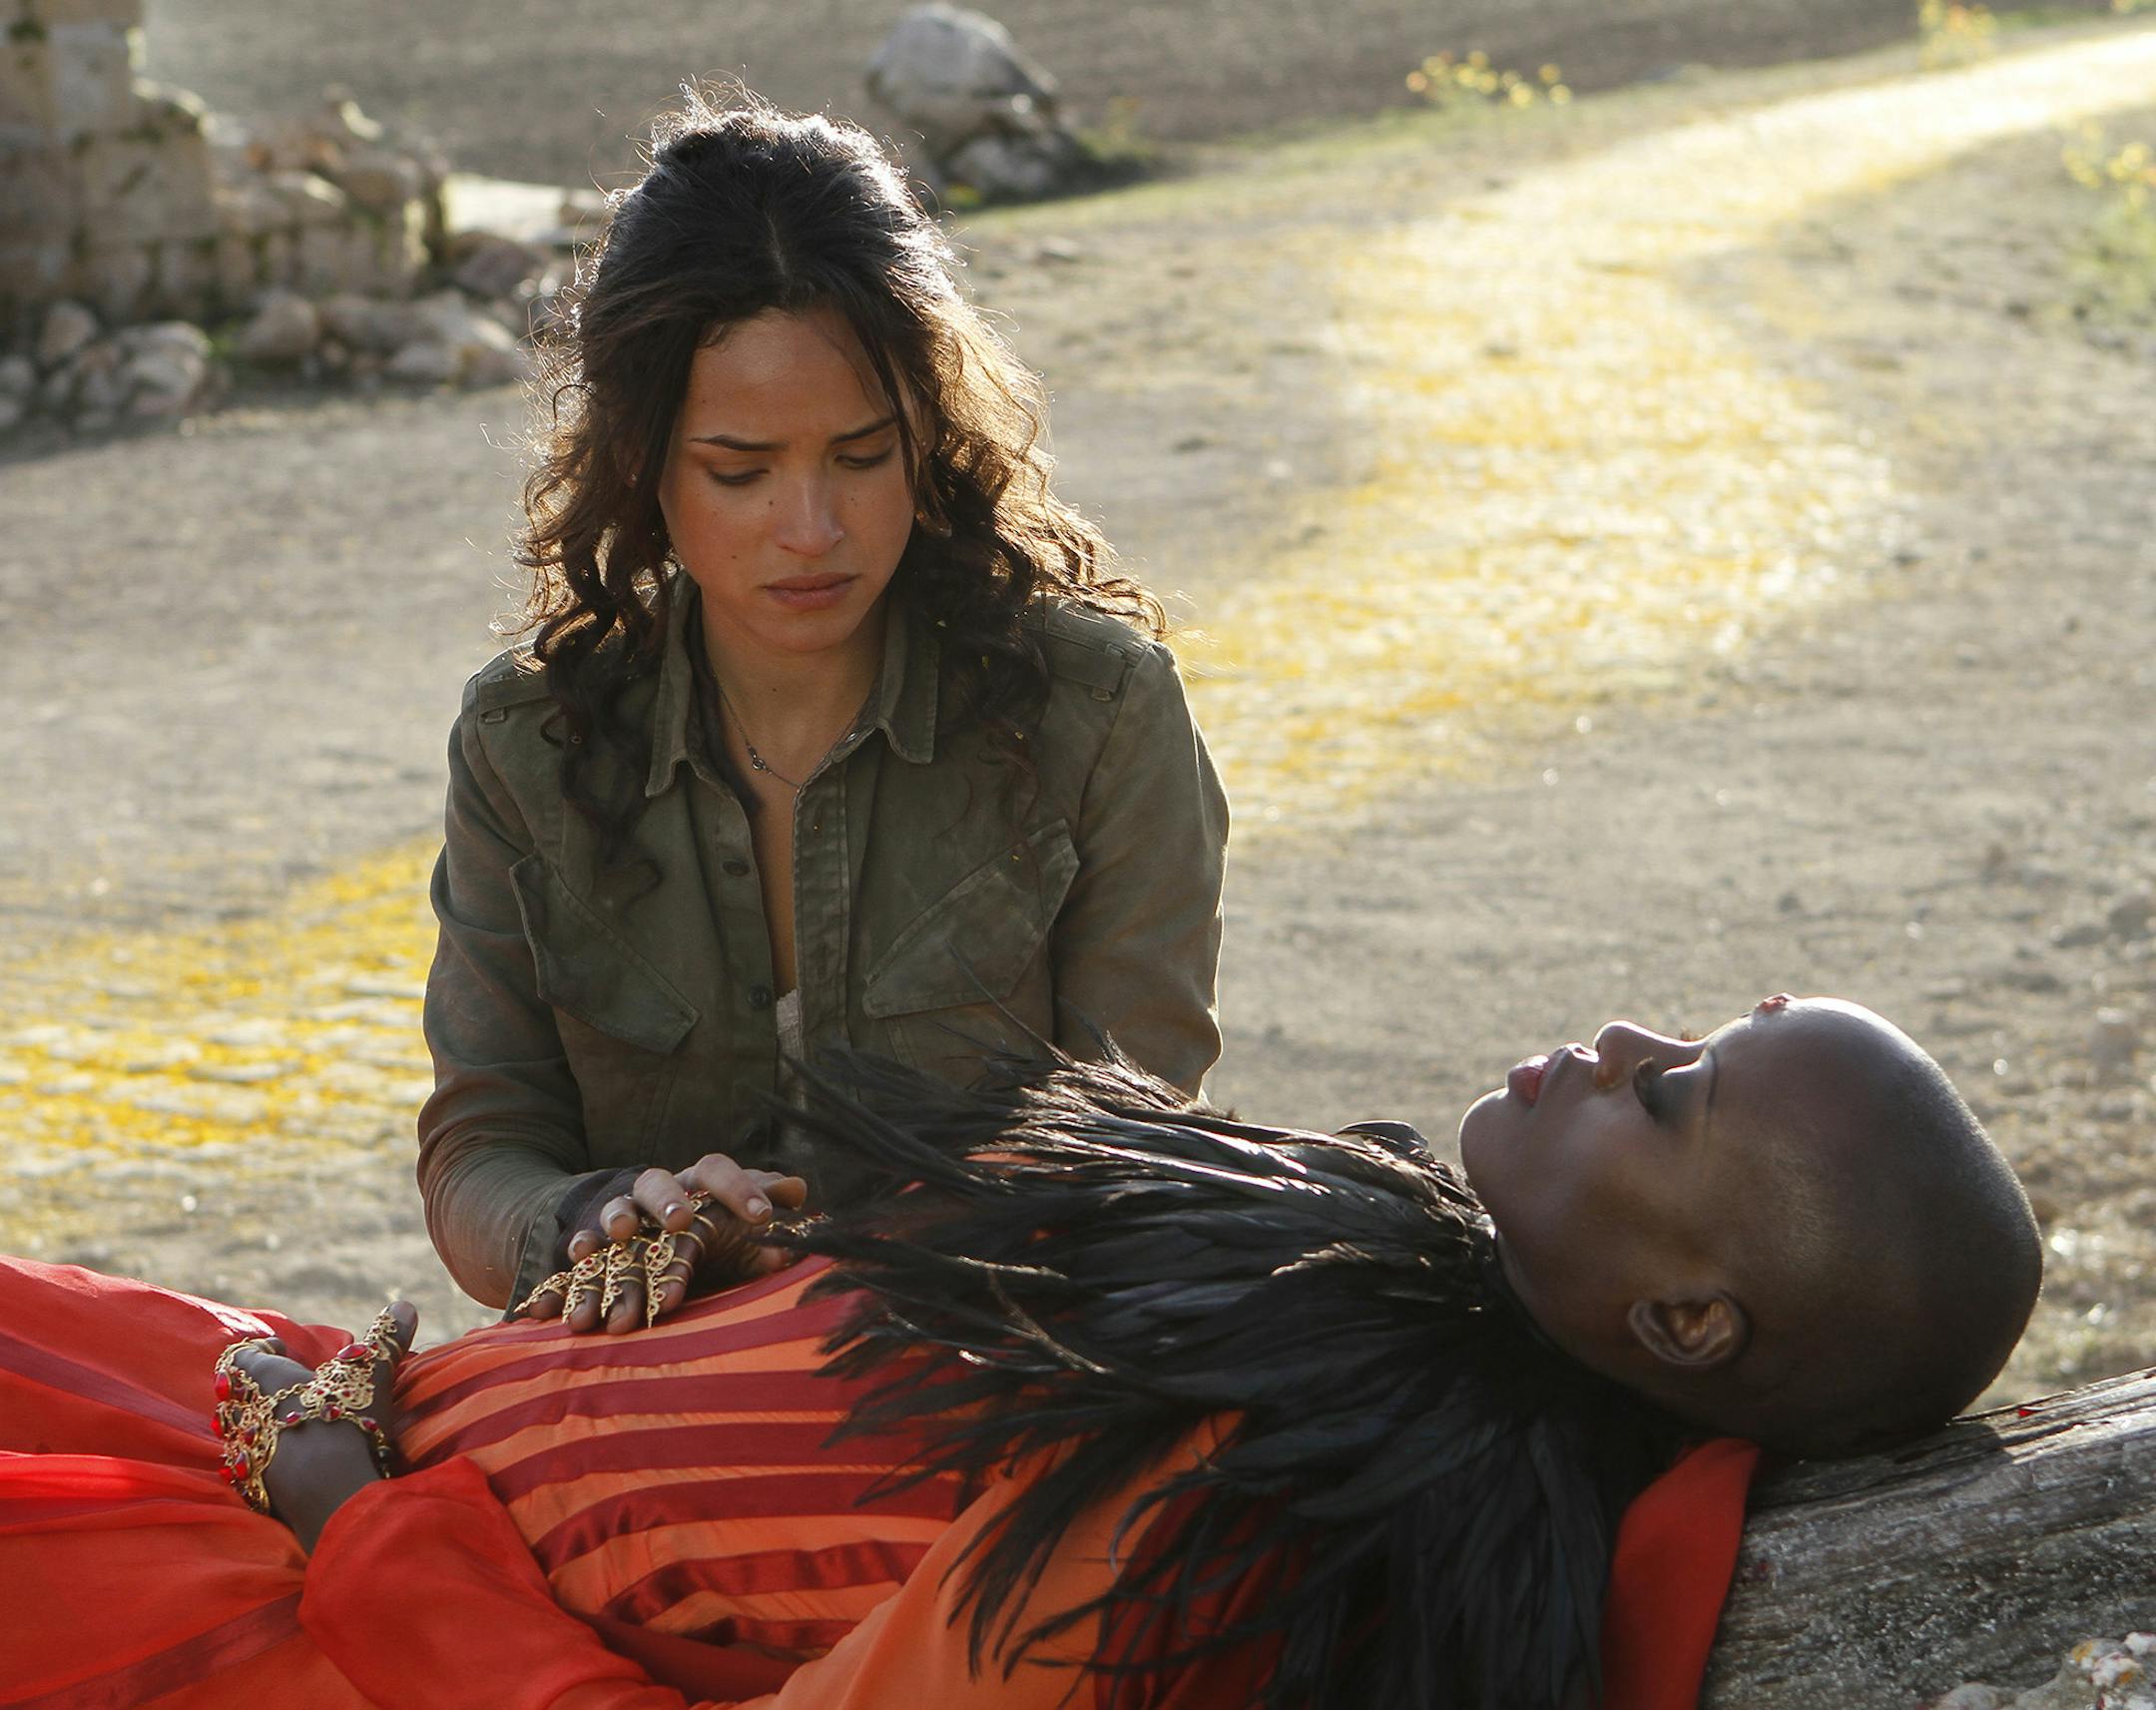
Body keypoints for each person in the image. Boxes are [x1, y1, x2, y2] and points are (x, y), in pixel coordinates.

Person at [0, 997, 2041, 1708]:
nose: (1613, 1045)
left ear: (1685, 1318)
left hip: (283, 1602)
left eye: (1672, 1094)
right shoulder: (1383, 1263)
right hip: (285, 1425)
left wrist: (361, 1518)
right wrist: (739, 1258)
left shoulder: (1240, 1540)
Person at [420, 91, 1230, 1332]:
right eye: (740, 472)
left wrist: (836, 1259)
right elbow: (481, 1150)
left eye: (862, 456)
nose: (814, 530)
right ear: (638, 459)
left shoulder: (1101, 711)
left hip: (987, 1381)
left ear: (933, 437)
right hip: (637, 1397)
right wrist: (606, 1223)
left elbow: (1139, 1145)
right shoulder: (525, 742)